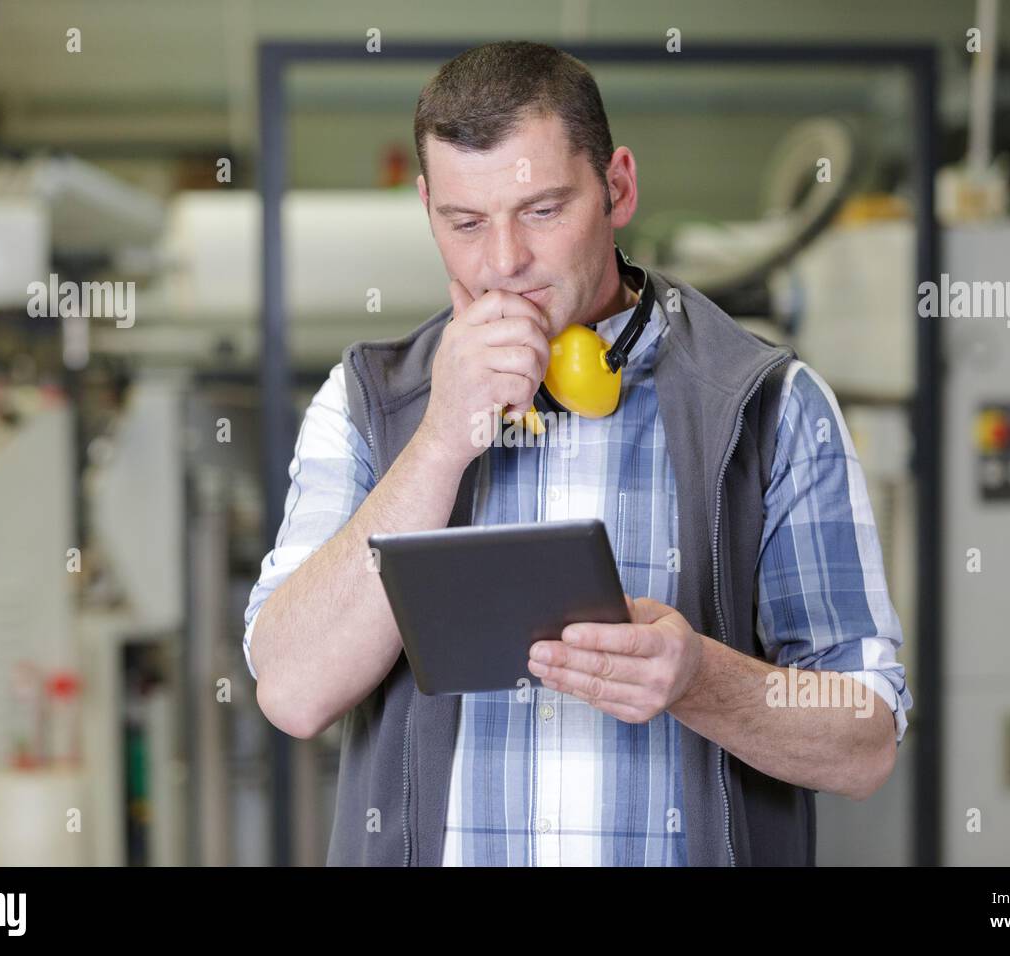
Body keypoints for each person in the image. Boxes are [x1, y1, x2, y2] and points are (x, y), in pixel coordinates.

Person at [243, 40, 911, 866]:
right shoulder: (368, 404)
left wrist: (699, 678)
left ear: (618, 187)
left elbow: (865, 737)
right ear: (427, 208)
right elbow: (293, 692)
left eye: (542, 210)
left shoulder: (770, 405)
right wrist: (443, 437)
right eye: (464, 222)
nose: (503, 263)